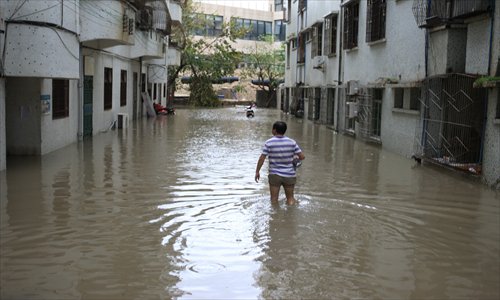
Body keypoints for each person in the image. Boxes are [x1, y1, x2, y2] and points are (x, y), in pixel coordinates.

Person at [255, 121, 305, 205]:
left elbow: (262, 158)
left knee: (274, 200)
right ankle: (290, 216)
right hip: (289, 174)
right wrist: (295, 157)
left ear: (274, 130)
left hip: (274, 175)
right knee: (290, 198)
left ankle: (275, 217)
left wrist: (257, 171)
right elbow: (302, 157)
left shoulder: (269, 143)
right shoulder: (292, 142)